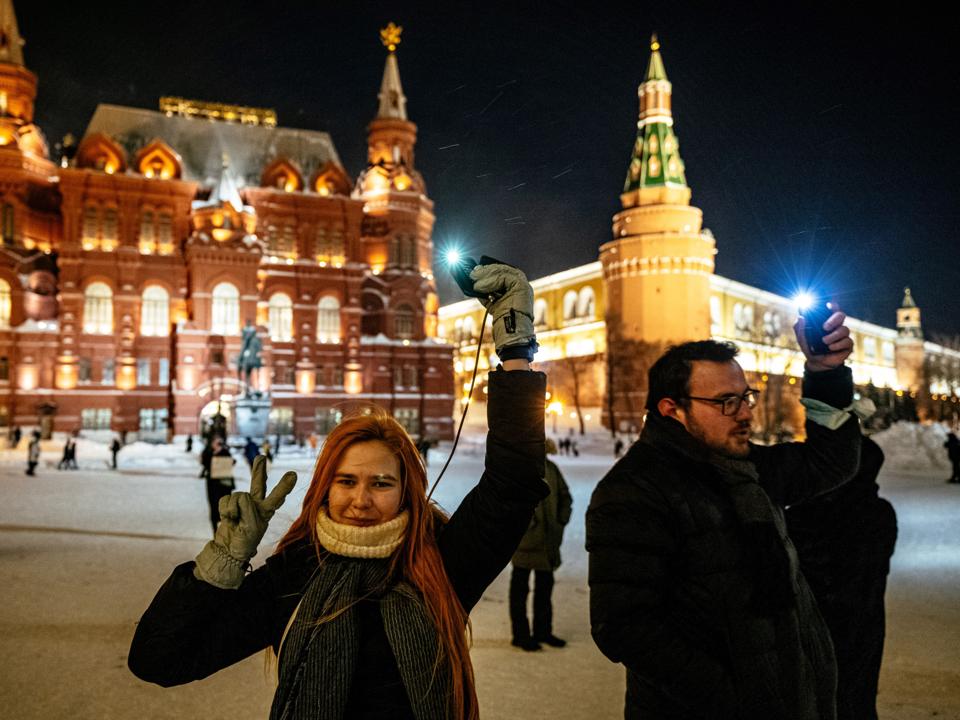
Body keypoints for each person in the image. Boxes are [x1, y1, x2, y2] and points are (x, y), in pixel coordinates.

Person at [128, 262, 546, 719]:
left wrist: (516, 352)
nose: (361, 500)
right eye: (346, 481)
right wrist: (217, 567)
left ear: (407, 492)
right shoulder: (293, 575)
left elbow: (512, 482)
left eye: (381, 483)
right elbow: (160, 661)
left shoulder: (439, 563)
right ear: (324, 489)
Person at [586, 307, 859, 719]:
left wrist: (826, 372)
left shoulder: (749, 469)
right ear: (671, 409)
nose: (746, 413)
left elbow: (830, 462)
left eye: (745, 397)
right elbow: (624, 627)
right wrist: (736, 697)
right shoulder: (633, 492)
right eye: (726, 403)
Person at [785, 423, 898, 720]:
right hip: (865, 623)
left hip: (822, 627)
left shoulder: (807, 514)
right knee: (857, 696)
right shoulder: (878, 513)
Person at [509, 438, 572, 651]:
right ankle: (520, 634)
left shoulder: (552, 469)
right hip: (525, 543)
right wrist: (529, 527)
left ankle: (543, 631)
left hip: (548, 543)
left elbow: (565, 496)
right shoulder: (520, 470)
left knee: (545, 590)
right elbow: (513, 503)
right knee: (520, 590)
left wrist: (560, 520)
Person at [201, 436, 235, 535]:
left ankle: (225, 528)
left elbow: (231, 462)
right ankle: (215, 530)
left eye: (219, 442)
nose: (218, 444)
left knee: (225, 505)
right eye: (216, 442)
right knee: (213, 505)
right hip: (213, 484)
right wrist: (214, 453)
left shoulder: (225, 451)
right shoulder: (208, 451)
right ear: (212, 443)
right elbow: (204, 463)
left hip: (224, 483)